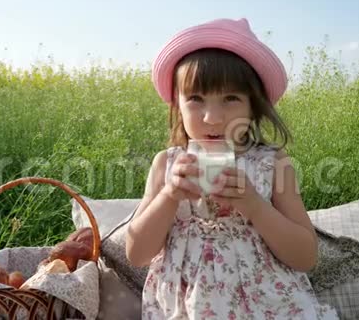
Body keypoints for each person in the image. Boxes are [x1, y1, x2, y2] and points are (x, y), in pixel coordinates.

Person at [125, 18, 339, 319]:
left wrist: (254, 205)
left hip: (268, 305)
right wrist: (169, 196)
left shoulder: (272, 164)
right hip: (189, 307)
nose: (212, 118)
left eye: (231, 99)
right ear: (178, 105)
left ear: (253, 107)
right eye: (196, 99)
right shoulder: (167, 164)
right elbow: (137, 254)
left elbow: (305, 257)